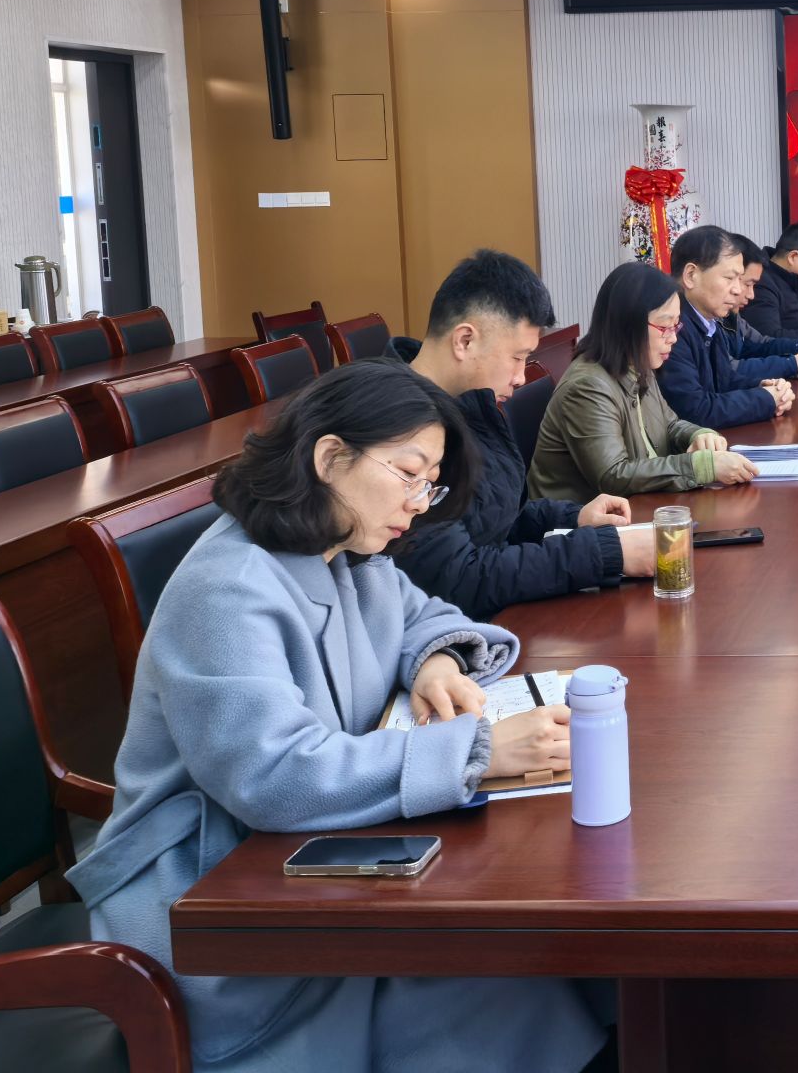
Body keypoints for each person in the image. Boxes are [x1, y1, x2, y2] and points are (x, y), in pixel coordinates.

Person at [66, 360, 612, 1072]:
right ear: (329, 458)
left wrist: (435, 661)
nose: (419, 502)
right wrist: (477, 752)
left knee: (536, 962)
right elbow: (273, 775)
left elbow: (424, 615)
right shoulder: (227, 587)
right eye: (408, 473)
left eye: (430, 483)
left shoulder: (349, 550)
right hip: (213, 900)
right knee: (503, 972)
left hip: (318, 855)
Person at [389, 248, 655, 616]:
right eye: (517, 357)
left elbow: (494, 519)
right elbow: (460, 578)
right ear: (464, 341)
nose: (520, 376)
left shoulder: (467, 402)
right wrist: (608, 552)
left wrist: (574, 518)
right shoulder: (398, 429)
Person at [529, 261, 760, 502]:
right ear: (628, 324)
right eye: (664, 326)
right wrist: (701, 467)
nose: (673, 338)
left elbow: (669, 425)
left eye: (676, 325)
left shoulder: (639, 364)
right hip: (579, 519)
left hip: (637, 506)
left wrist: (698, 435)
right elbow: (613, 476)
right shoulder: (587, 386)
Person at [656, 226, 798, 429]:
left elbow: (724, 379)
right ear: (691, 275)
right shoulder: (671, 329)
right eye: (729, 278)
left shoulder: (710, 321)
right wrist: (766, 399)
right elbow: (695, 410)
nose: (737, 289)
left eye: (739, 279)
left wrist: (764, 387)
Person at [725, 233, 798, 374]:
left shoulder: (731, 318)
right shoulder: (764, 285)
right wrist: (796, 362)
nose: (751, 295)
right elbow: (727, 372)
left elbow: (762, 343)